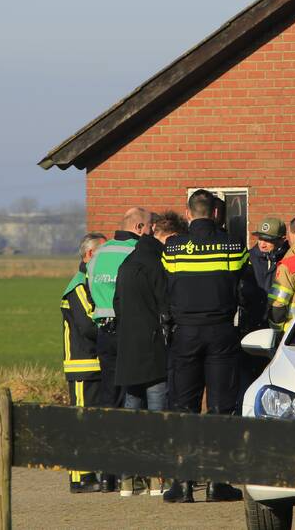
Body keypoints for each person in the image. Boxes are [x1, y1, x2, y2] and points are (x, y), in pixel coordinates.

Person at [161, 189, 247, 503]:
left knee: (184, 407)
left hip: (185, 334)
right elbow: (246, 290)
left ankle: (183, 484)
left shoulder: (172, 248)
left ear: (188, 214)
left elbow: (167, 289)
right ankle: (217, 483)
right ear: (213, 213)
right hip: (222, 332)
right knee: (221, 407)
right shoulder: (233, 246)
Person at [114, 211, 187, 497]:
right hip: (154, 349)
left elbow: (118, 304)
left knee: (132, 415)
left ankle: (129, 479)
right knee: (158, 416)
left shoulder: (127, 264)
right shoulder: (157, 264)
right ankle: (159, 478)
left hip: (128, 351)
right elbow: (166, 307)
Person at [86, 207, 152, 492]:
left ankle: (107, 474)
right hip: (130, 333)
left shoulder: (100, 252)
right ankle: (136, 470)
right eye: (149, 227)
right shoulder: (137, 252)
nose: (150, 232)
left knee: (109, 401)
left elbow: (90, 288)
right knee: (136, 399)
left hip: (104, 334)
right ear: (139, 227)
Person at [60, 232, 107, 493]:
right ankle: (79, 478)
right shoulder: (77, 286)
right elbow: (88, 325)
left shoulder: (89, 282)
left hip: (94, 364)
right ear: (89, 255)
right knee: (81, 421)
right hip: (81, 365)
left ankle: (91, 472)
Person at [236, 216, 289, 410]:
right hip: (251, 327)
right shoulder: (248, 259)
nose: (263, 244)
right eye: (260, 238)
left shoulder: (288, 260)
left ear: (282, 240)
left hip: (279, 329)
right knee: (247, 379)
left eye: (269, 240)